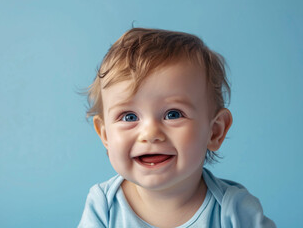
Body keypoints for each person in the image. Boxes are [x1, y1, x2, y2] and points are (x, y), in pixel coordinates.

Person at [78, 28, 276, 228]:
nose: (150, 134)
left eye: (173, 114)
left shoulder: (234, 210)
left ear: (214, 131)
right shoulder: (104, 206)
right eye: (129, 117)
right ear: (105, 135)